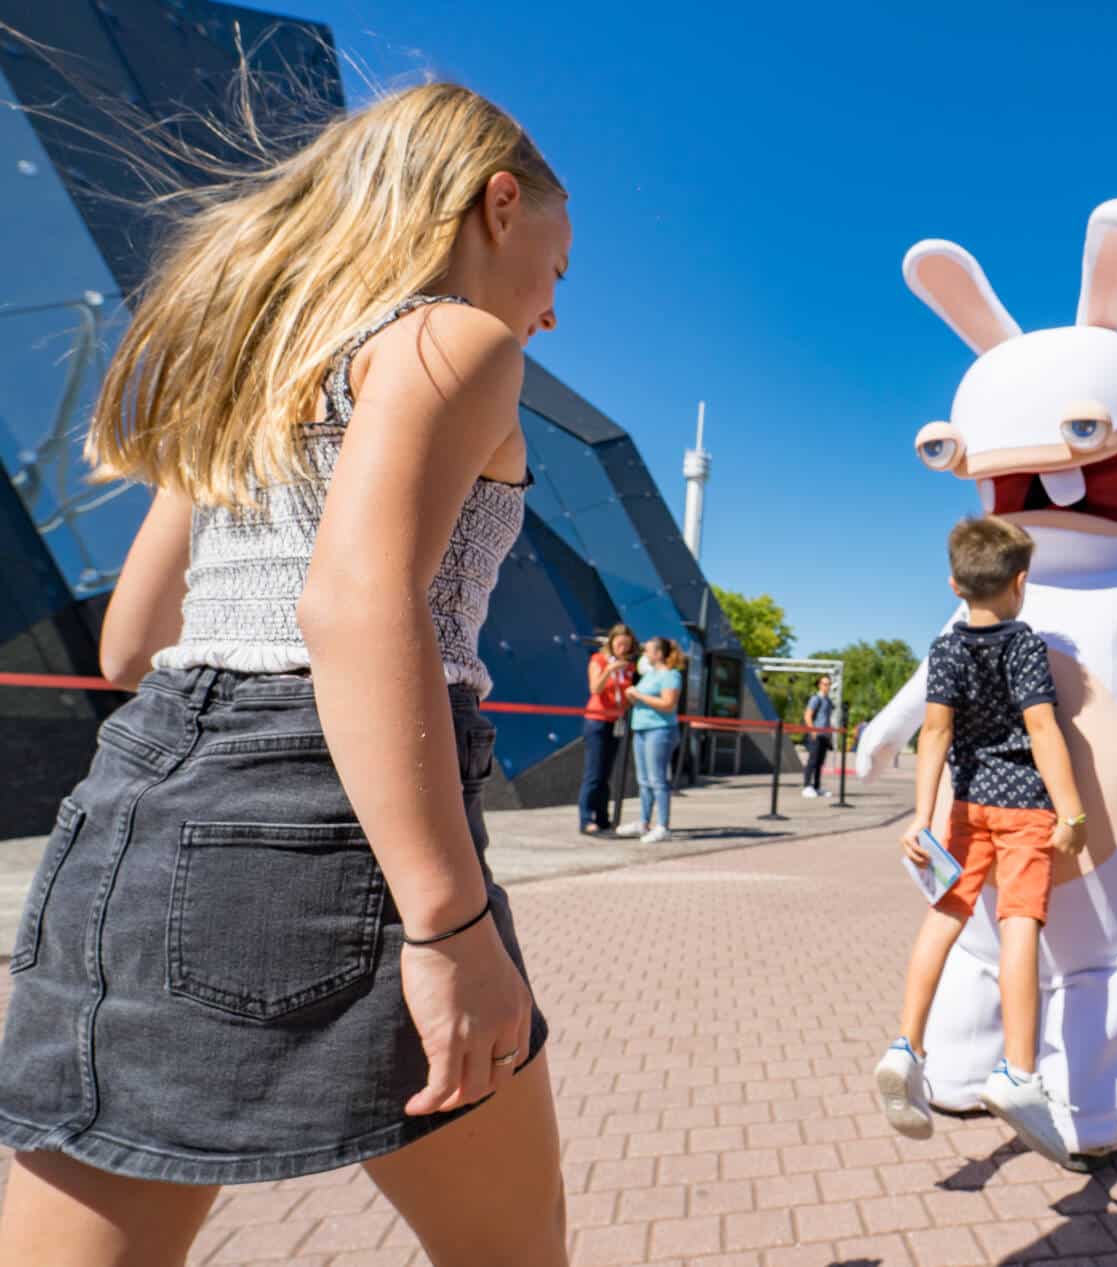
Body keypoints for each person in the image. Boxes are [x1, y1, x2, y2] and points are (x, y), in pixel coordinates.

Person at [0, 83, 570, 1265]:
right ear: (497, 204)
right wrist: (451, 922)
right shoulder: (450, 338)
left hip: (141, 801)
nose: (548, 314)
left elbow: (131, 643)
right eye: (557, 270)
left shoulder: (255, 378)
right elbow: (356, 607)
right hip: (332, 815)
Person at [874, 516, 1089, 1166]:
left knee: (943, 917)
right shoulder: (1023, 643)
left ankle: (906, 1047)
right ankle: (1018, 1072)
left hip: (963, 807)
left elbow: (933, 733)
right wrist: (1072, 808)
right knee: (1019, 923)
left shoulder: (946, 649)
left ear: (953, 582)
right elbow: (1043, 728)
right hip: (1024, 805)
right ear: (1019, 582)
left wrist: (921, 815)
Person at [617, 636, 684, 843]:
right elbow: (642, 698)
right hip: (642, 730)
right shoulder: (649, 675)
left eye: (648, 650)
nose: (644, 653)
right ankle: (643, 823)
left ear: (659, 654)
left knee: (657, 780)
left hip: (660, 731)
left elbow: (668, 704)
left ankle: (663, 826)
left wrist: (639, 695)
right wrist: (632, 696)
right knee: (644, 780)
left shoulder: (671, 675)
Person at [578, 623, 638, 835]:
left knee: (606, 773)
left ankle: (603, 818)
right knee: (593, 772)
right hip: (598, 720)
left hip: (616, 722)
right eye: (620, 643)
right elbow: (595, 688)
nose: (623, 648)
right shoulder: (599, 660)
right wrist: (609, 670)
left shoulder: (628, 668)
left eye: (627, 645)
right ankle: (586, 819)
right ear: (612, 642)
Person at [802, 674, 835, 798]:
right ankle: (806, 786)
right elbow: (807, 715)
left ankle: (816, 786)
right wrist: (813, 731)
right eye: (825, 684)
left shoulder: (828, 700)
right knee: (812, 761)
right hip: (816, 735)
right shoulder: (816, 698)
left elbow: (827, 718)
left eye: (829, 684)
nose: (827, 686)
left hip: (825, 735)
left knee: (820, 762)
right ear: (820, 685)